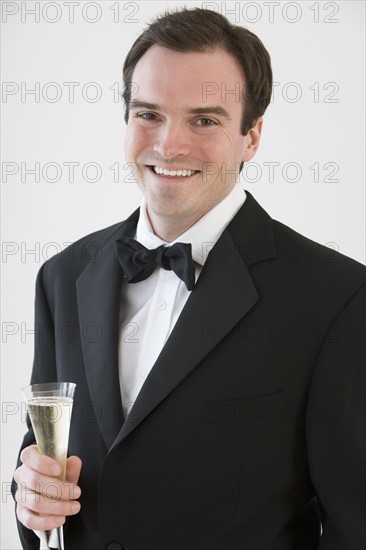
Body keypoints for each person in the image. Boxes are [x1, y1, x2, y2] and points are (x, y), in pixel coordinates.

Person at [13, 7, 365, 550]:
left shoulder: (338, 298)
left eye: (204, 120)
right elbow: (44, 457)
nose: (169, 145)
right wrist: (30, 494)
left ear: (251, 137)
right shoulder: (62, 276)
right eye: (148, 114)